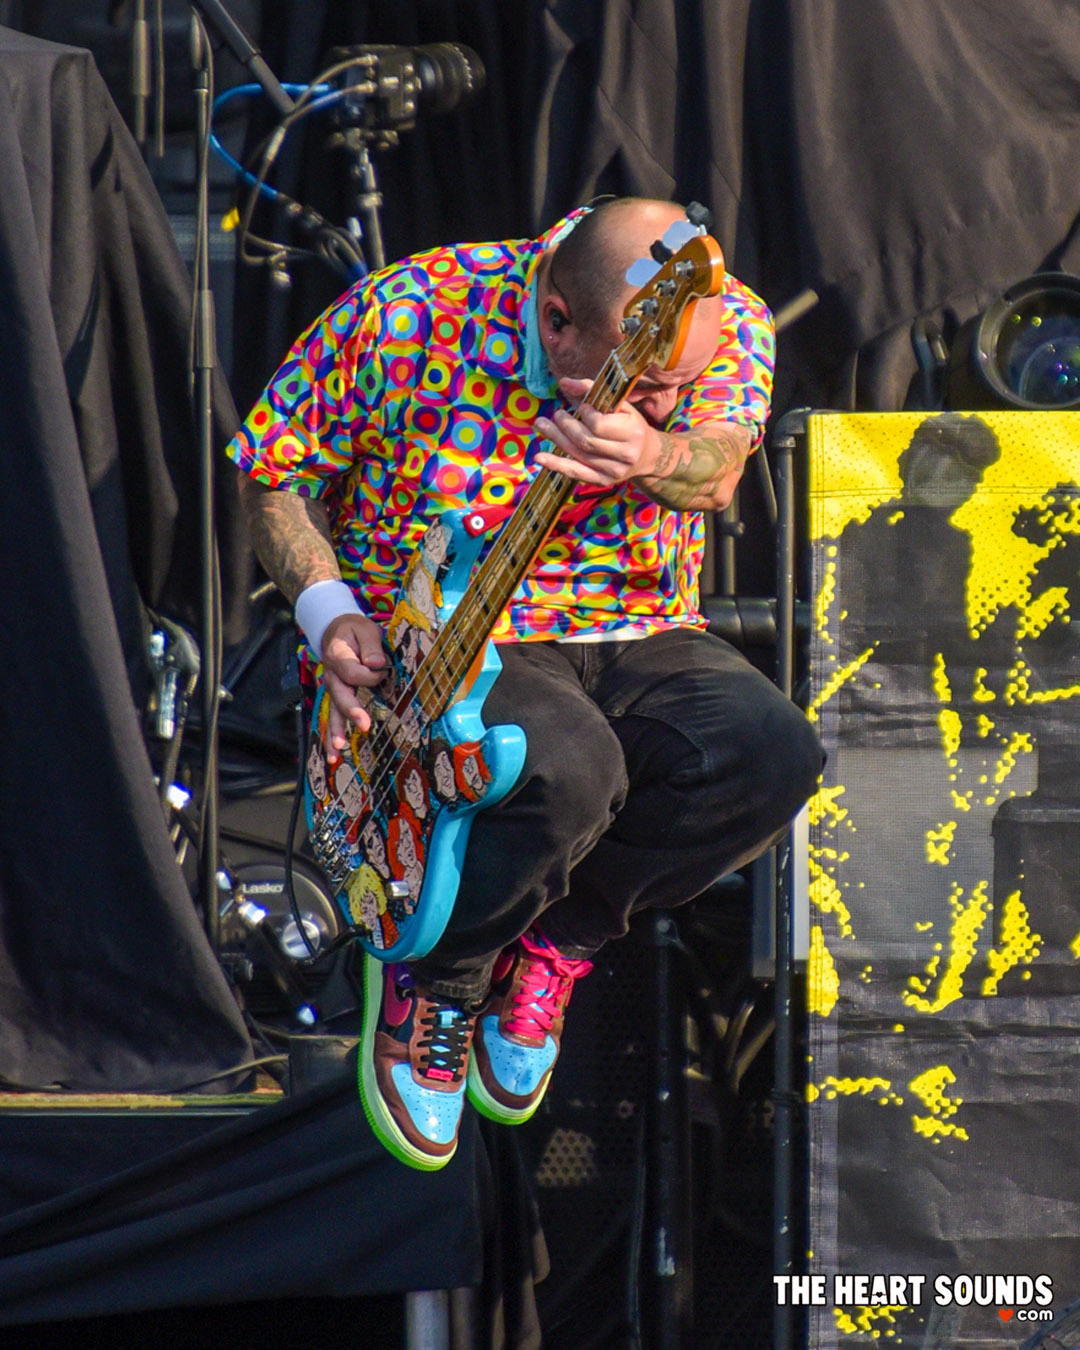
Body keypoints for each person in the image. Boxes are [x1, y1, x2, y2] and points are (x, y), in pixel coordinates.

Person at [228, 197, 823, 1170]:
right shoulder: (406, 312)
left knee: (771, 753)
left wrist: (656, 453)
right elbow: (274, 470)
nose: (663, 401)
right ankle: (439, 978)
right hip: (449, 632)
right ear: (556, 321)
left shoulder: (714, 311)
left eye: (677, 385)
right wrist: (329, 614)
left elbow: (716, 466)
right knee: (568, 766)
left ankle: (554, 948)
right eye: (645, 385)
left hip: (635, 624)